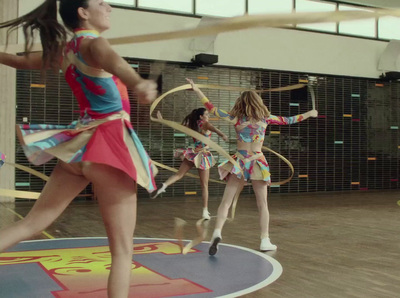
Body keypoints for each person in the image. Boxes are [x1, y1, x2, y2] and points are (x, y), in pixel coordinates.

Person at [0, 0, 158, 297]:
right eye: (100, 2)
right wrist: (138, 83)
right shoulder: (94, 44)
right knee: (123, 252)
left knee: (31, 223)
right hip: (108, 146)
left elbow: (18, 61)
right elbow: (116, 63)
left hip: (79, 149)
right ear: (83, 12)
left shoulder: (64, 51)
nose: (108, 6)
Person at [185, 78, 318, 254]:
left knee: (226, 202)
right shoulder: (266, 119)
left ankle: (216, 232)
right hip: (257, 162)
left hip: (239, 161)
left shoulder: (236, 119)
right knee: (262, 204)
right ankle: (265, 240)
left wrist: (197, 89)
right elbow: (289, 120)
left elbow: (212, 108)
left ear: (241, 103)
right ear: (258, 102)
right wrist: (310, 113)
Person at [152, 109, 228, 220]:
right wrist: (223, 135)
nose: (208, 116)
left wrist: (163, 120)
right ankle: (205, 211)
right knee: (204, 186)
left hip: (193, 153)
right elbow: (215, 129)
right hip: (203, 155)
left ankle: (164, 185)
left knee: (178, 175)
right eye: (206, 114)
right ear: (201, 117)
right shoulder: (205, 124)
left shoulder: (192, 124)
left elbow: (177, 125)